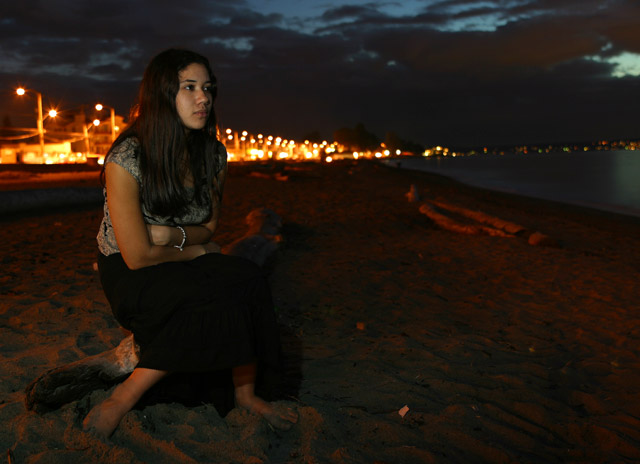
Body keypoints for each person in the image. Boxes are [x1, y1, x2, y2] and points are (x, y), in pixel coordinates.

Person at [83, 48, 298, 439]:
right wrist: (195, 249)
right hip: (129, 272)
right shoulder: (127, 157)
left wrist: (175, 236)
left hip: (174, 256)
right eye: (190, 87)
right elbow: (137, 256)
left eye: (208, 88)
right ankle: (123, 397)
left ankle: (246, 393)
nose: (204, 97)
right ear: (163, 94)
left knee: (247, 277)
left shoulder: (213, 154)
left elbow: (210, 227)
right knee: (208, 296)